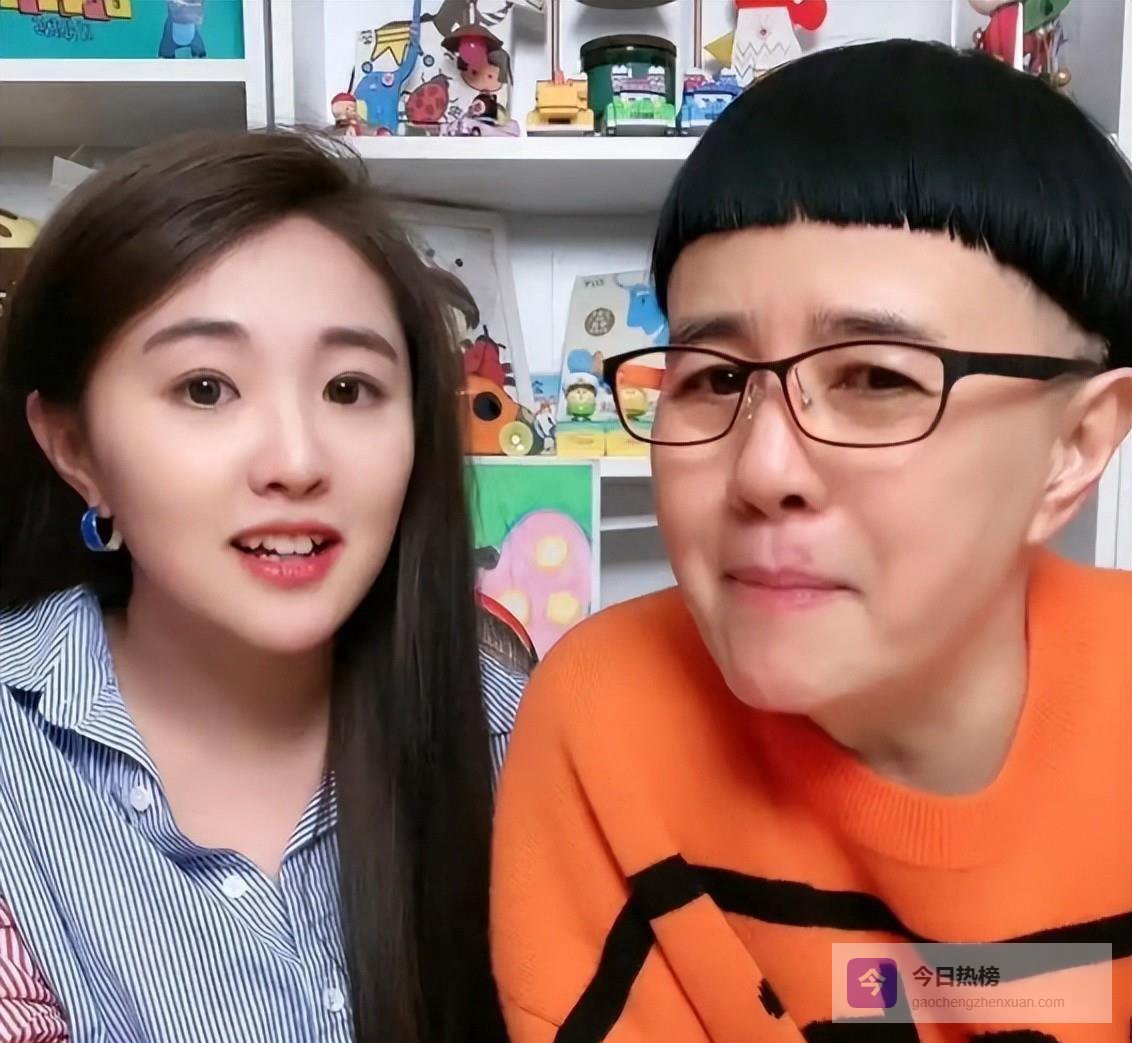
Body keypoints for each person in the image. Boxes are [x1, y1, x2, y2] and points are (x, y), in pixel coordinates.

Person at [491, 40, 1132, 1043]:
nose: (761, 471)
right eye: (712, 379)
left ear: (1074, 445)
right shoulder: (607, 720)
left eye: (876, 378)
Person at [0, 130, 521, 1042]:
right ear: (76, 450)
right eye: (206, 388)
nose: (297, 460)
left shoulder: (524, 747)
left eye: (349, 389)